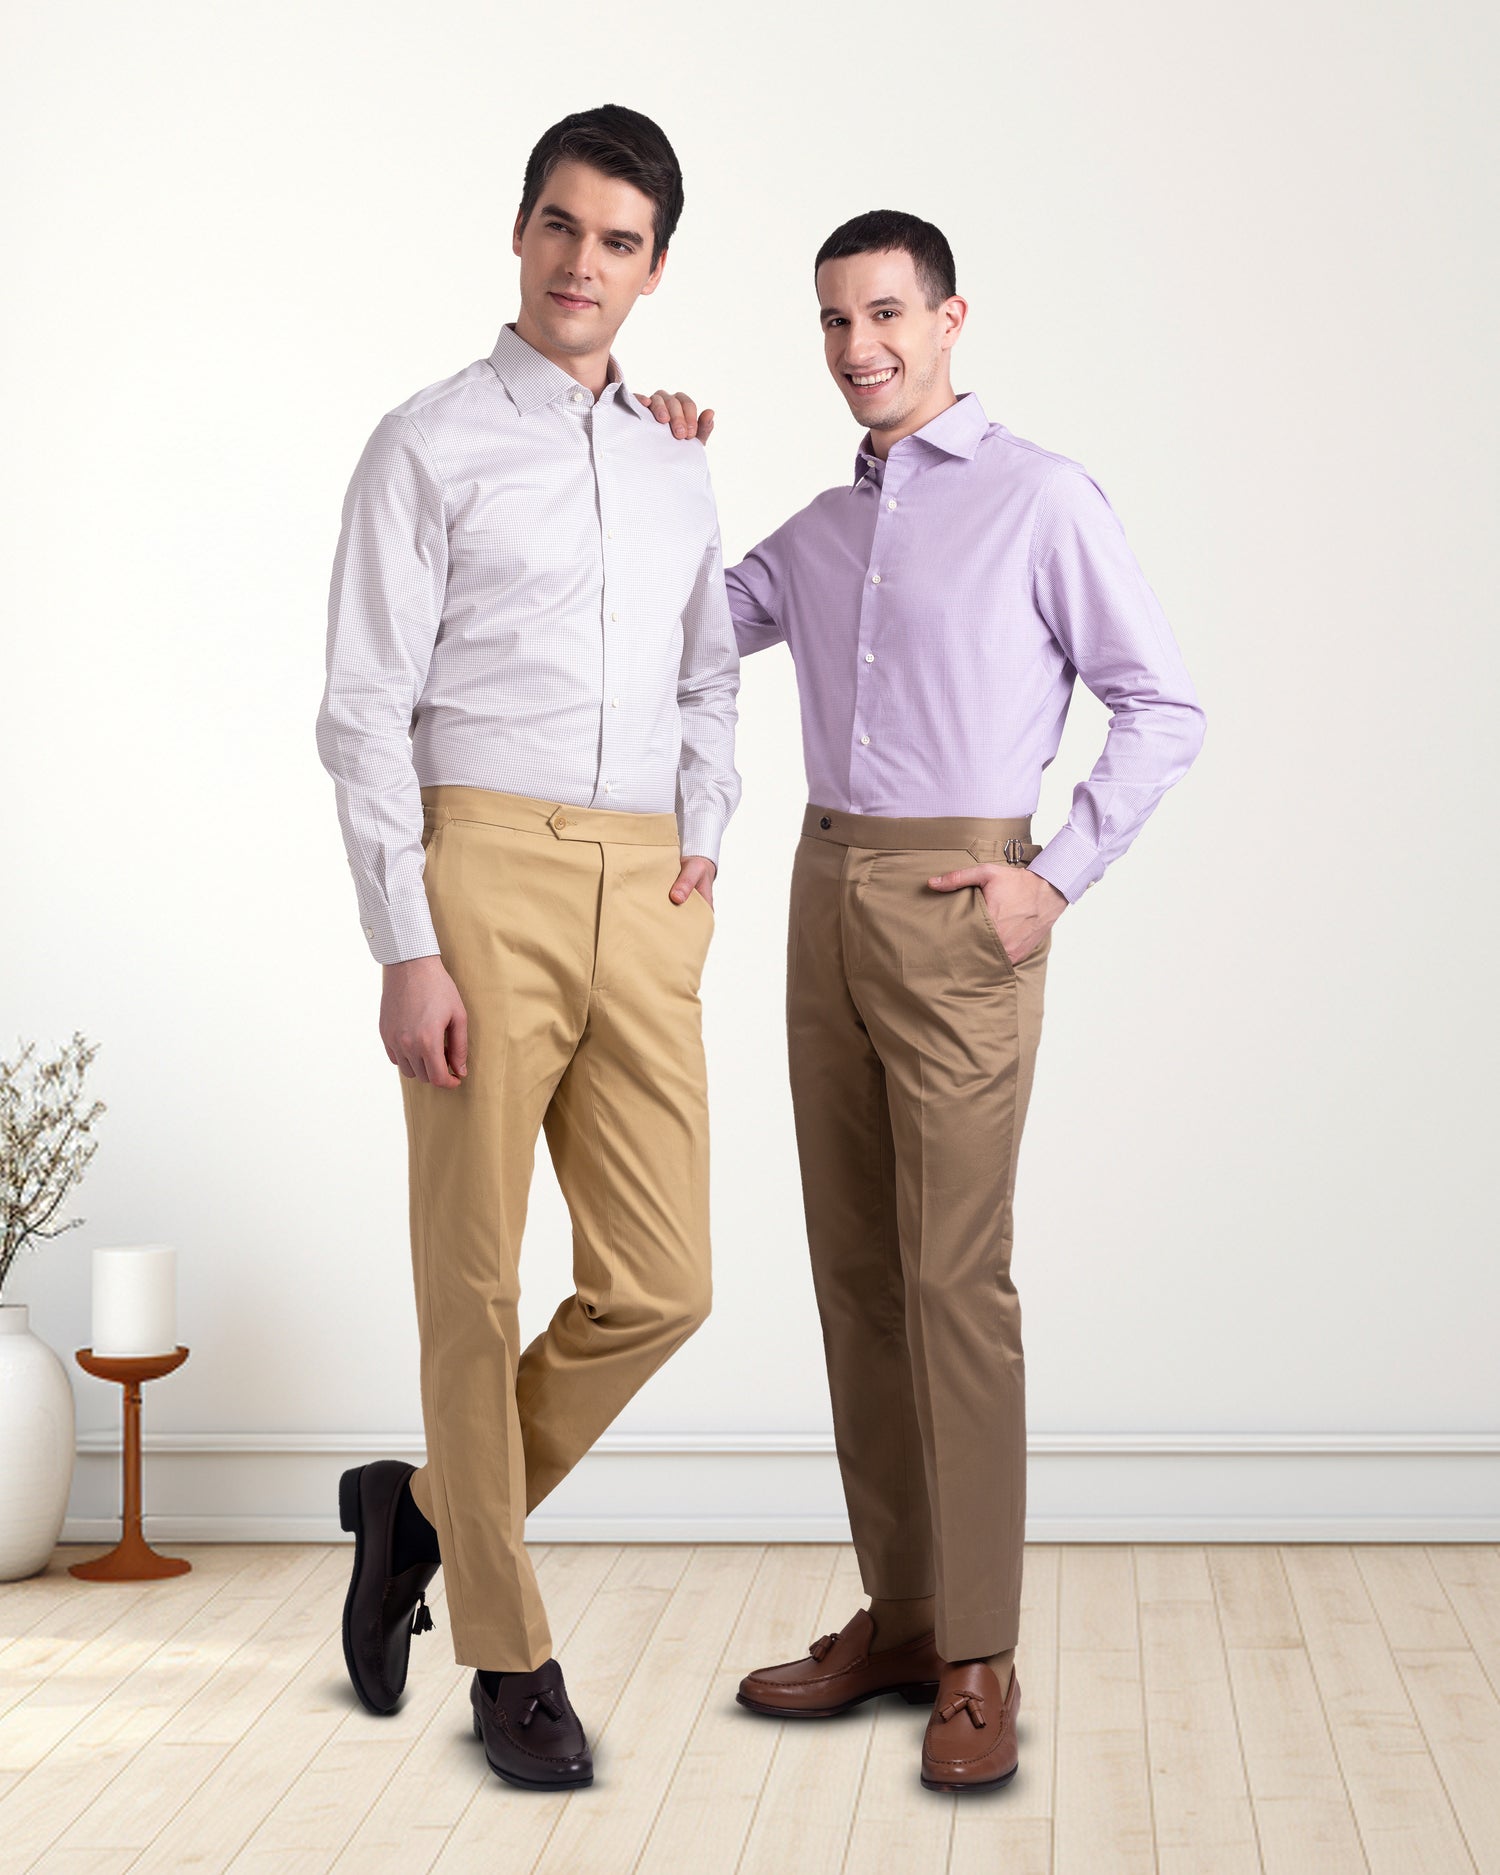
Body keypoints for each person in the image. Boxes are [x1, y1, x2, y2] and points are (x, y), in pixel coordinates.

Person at [649, 207, 1205, 1793]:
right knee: (857, 1278)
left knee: (956, 1282)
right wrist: (665, 476)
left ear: (951, 319)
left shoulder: (1043, 498)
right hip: (822, 892)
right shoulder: (824, 531)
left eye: (885, 313)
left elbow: (1162, 704)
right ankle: (901, 1619)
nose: (858, 347)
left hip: (965, 905)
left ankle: (980, 1655)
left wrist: (1057, 876)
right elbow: (681, 635)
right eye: (835, 321)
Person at [315, 104, 739, 1792]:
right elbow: (363, 708)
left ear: (654, 269)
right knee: (474, 1281)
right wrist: (405, 941)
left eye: (619, 241)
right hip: (481, 867)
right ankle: (508, 1653)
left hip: (647, 891)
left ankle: (417, 1514)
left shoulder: (676, 458)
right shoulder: (424, 444)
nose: (583, 263)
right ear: (518, 232)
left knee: (664, 1282)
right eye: (561, 225)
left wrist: (706, 833)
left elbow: (708, 672)